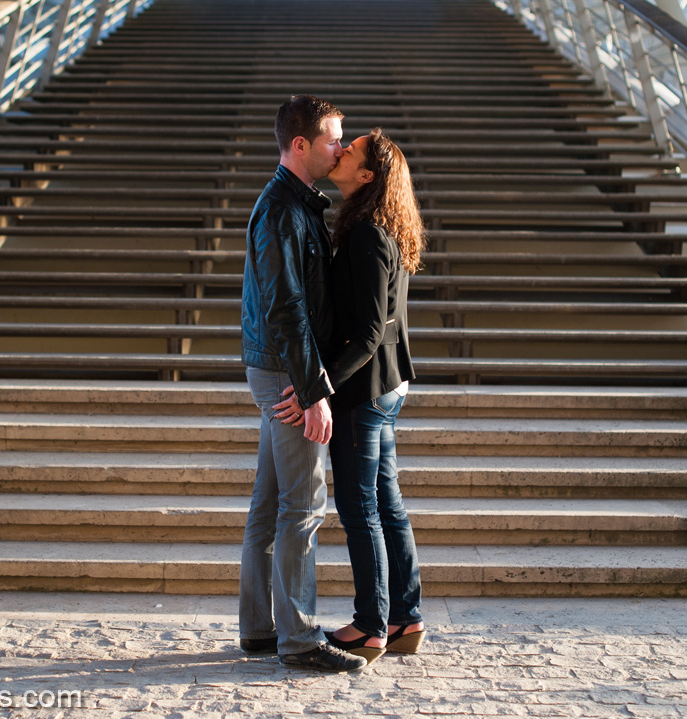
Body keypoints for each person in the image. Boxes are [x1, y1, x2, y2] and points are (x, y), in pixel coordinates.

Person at [275, 127, 426, 665]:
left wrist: (319, 386)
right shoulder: (381, 226)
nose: (339, 151)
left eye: (351, 150)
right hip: (388, 383)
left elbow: (364, 333)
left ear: (366, 175)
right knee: (386, 504)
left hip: (365, 390)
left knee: (360, 506)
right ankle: (404, 617)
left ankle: (370, 626)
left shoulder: (364, 234)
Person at [238, 95, 365, 674]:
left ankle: (260, 630)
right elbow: (287, 307)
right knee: (303, 506)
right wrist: (313, 390)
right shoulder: (283, 211)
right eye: (333, 139)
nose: (340, 148)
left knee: (269, 505)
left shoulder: (297, 205)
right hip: (287, 370)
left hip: (280, 365)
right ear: (300, 145)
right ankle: (298, 638)